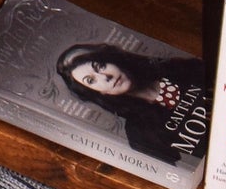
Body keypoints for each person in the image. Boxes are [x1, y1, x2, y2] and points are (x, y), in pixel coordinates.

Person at [55, 42, 209, 164]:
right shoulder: (140, 134)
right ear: (98, 92)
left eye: (100, 66)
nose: (105, 77)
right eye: (91, 80)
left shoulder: (177, 68)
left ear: (112, 60)